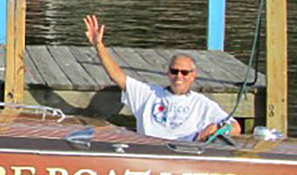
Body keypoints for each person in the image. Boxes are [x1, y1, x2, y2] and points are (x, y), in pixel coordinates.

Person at [85, 15, 240, 142]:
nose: (179, 76)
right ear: (168, 73)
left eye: (185, 73)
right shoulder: (149, 94)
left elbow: (235, 127)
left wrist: (217, 128)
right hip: (148, 151)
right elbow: (117, 76)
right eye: (174, 71)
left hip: (184, 155)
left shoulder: (202, 104)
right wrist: (99, 45)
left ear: (193, 76)